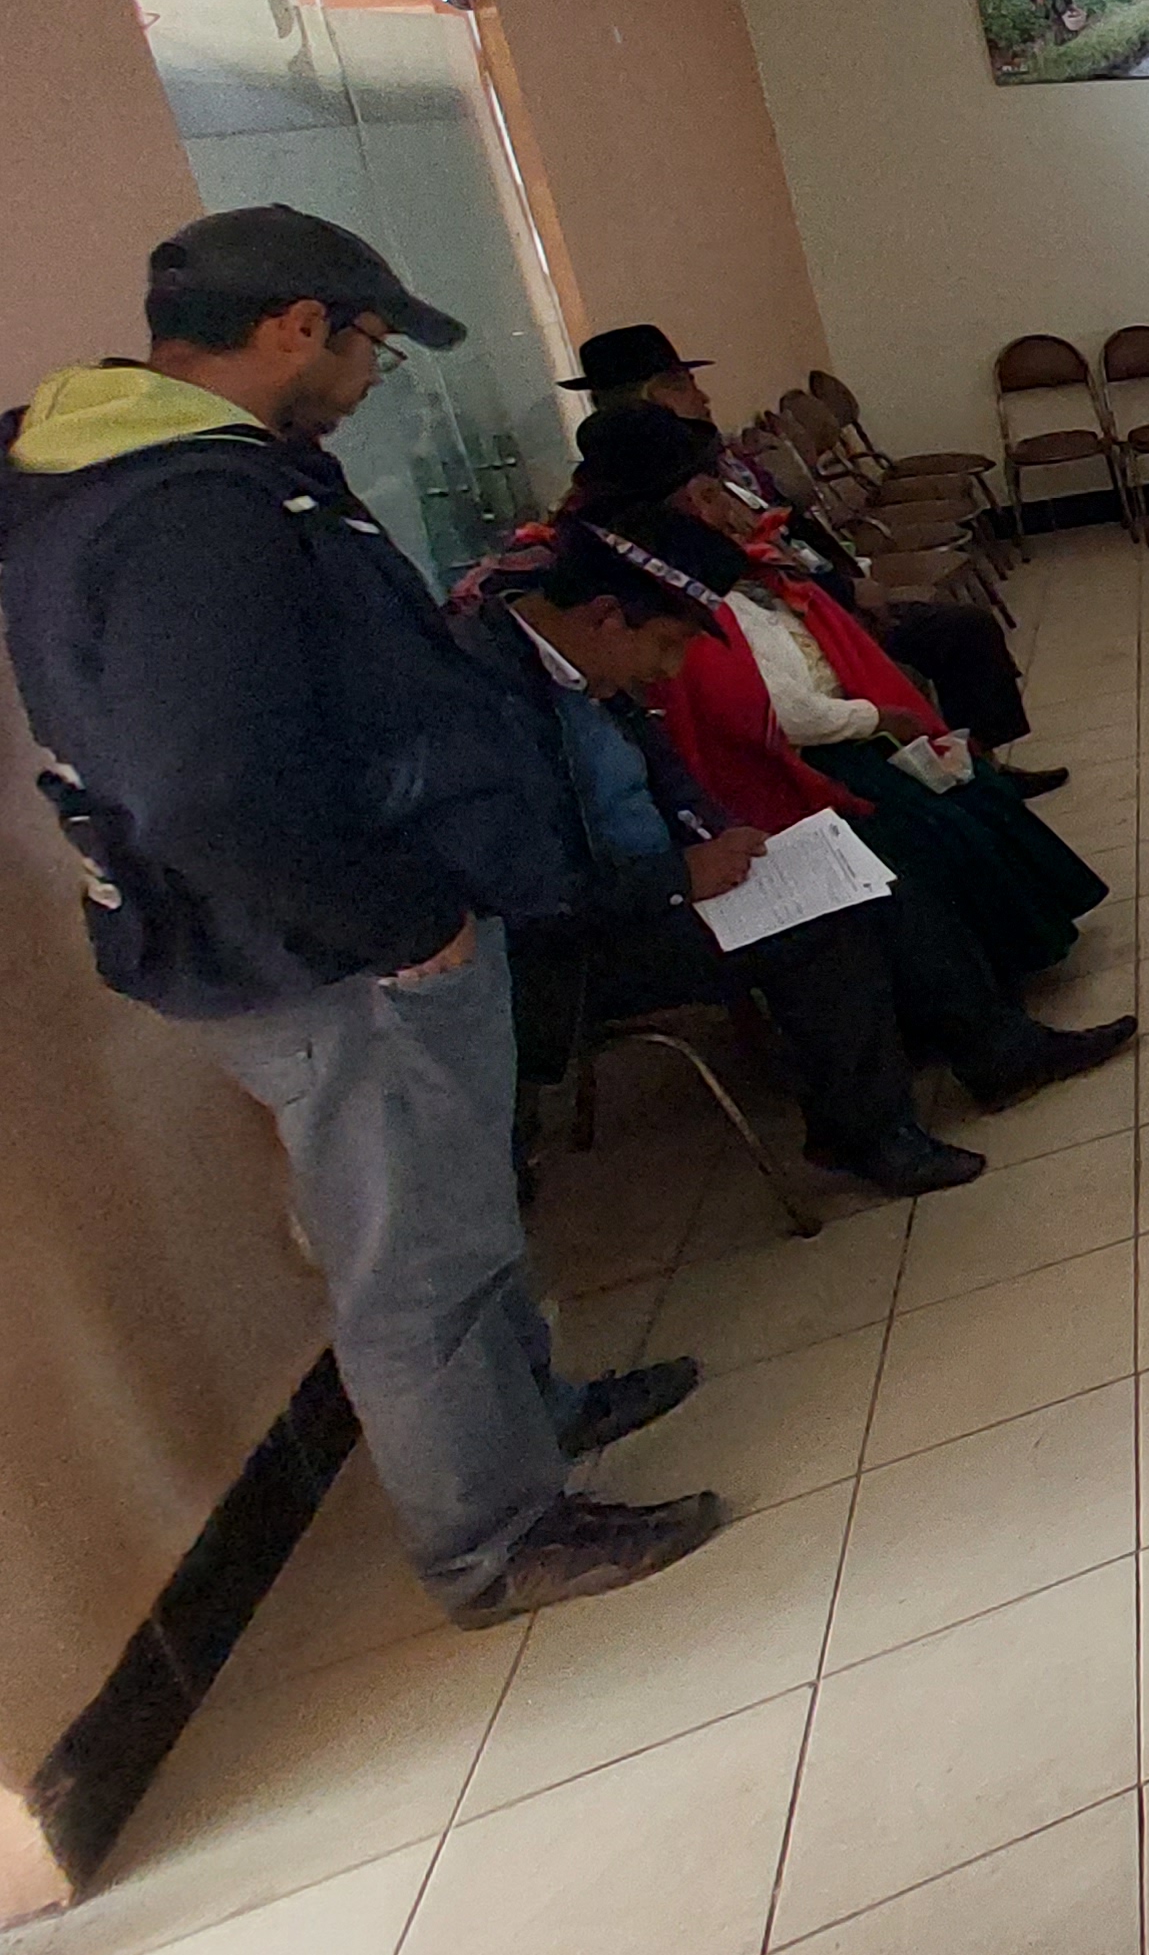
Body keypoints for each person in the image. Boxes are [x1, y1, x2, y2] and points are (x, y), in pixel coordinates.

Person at [0, 208, 720, 1624]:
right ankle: (497, 1541)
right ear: (292, 326)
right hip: (332, 955)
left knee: (457, 1211)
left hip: (348, 932)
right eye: (370, 343)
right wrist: (396, 918)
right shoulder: (178, 507)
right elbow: (199, 789)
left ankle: (532, 1416)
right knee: (414, 1257)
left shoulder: (180, 471)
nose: (373, 373)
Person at [451, 510, 998, 1197]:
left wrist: (716, 830)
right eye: (668, 645)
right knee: (820, 928)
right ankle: (869, 1135)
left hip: (649, 882)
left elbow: (664, 770)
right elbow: (534, 891)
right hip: (580, 947)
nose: (671, 670)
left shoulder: (585, 668)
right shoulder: (484, 698)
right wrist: (678, 877)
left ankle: (978, 1051)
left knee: (863, 867)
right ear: (606, 618)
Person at [556, 405, 1124, 1016]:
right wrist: (871, 716)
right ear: (690, 499)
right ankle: (983, 997)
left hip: (822, 722)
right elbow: (764, 705)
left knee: (968, 789)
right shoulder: (663, 594)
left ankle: (1008, 961)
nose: (726, 504)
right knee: (923, 829)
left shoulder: (686, 562)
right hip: (787, 759)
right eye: (711, 491)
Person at [562, 323, 1053, 785]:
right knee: (956, 632)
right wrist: (843, 593)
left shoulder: (710, 456)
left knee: (962, 629)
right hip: (788, 635)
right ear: (657, 394)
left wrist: (849, 575)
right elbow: (744, 588)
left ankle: (980, 766)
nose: (704, 396)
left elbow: (788, 528)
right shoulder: (637, 499)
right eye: (687, 385)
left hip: (818, 600)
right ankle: (971, 775)